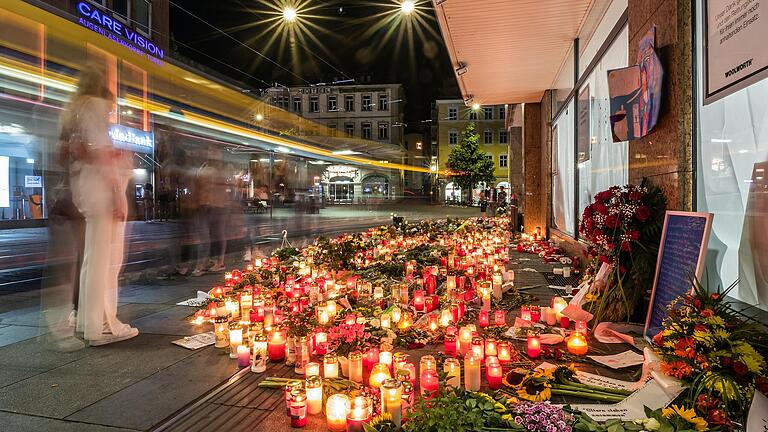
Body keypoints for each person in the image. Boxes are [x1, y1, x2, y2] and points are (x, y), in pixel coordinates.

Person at [64, 68, 139, 346]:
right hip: (101, 193)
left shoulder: (75, 112)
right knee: (102, 263)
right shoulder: (93, 108)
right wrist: (117, 197)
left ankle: (87, 322)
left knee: (90, 261)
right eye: (110, 107)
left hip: (85, 191)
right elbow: (102, 156)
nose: (110, 113)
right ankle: (98, 329)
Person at [191, 152, 229, 276]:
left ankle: (213, 263)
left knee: (215, 235)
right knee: (209, 236)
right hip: (205, 205)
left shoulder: (219, 170)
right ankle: (208, 262)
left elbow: (222, 189)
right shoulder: (204, 167)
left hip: (217, 205)